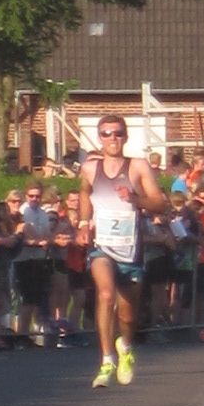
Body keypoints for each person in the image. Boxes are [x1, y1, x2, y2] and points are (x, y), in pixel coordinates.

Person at [78, 115, 169, 389]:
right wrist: (83, 223)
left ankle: (125, 346)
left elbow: (160, 204)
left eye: (117, 133)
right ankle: (106, 360)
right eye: (107, 133)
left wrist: (135, 199)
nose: (112, 139)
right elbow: (84, 194)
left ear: (126, 137)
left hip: (130, 249)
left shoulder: (138, 166)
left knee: (127, 316)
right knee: (106, 294)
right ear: (100, 137)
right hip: (102, 246)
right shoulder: (90, 168)